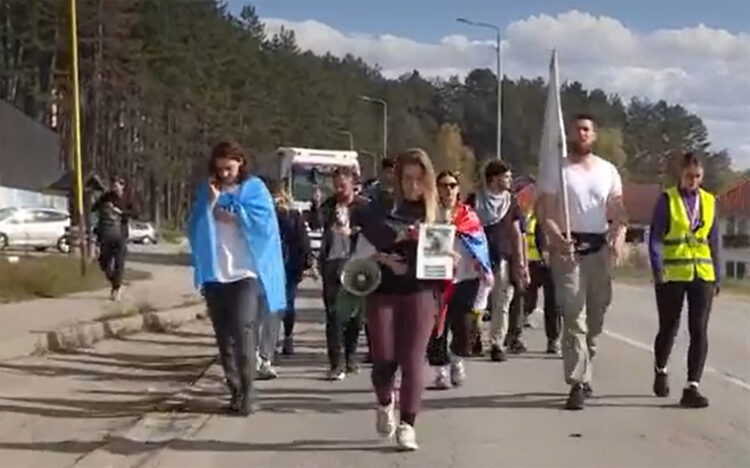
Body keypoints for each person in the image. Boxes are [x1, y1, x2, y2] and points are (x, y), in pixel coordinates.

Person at [188, 141, 286, 416]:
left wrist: (237, 217)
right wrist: (209, 204)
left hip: (246, 273)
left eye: (229, 168)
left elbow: (266, 225)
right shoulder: (208, 191)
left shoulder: (255, 189)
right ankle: (235, 390)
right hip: (216, 273)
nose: (224, 174)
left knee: (244, 332)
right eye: (219, 169)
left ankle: (249, 391)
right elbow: (194, 226)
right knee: (224, 338)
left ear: (240, 163)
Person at [355, 148, 443, 451]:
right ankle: (384, 401)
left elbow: (440, 261)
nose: (413, 185)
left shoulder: (434, 214)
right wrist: (386, 256)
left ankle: (408, 425)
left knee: (413, 360)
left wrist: (447, 259)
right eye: (407, 178)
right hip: (383, 290)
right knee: (384, 358)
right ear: (397, 178)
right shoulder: (380, 208)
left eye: (419, 179)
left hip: (420, 291)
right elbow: (364, 247)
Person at [540, 113, 627, 411]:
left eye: (587, 129)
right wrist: (557, 238)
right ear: (570, 134)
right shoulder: (558, 171)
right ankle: (577, 382)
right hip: (568, 251)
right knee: (573, 315)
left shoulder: (608, 171)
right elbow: (546, 215)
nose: (582, 133)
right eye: (577, 129)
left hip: (599, 250)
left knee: (595, 319)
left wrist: (618, 234)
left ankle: (586, 366)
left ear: (594, 134)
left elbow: (618, 209)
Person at [649, 152, 720, 408]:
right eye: (689, 176)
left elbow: (714, 240)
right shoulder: (667, 200)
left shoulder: (709, 201)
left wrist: (717, 275)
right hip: (673, 274)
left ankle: (692, 386)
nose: (693, 181)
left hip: (702, 274)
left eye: (698, 176)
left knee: (698, 329)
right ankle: (661, 368)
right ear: (680, 174)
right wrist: (658, 268)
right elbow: (655, 237)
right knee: (669, 327)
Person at [427, 170, 492, 389]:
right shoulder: (430, 214)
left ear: (458, 189)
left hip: (466, 277)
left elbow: (479, 242)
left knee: (464, 326)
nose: (448, 189)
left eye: (452, 185)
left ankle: (456, 359)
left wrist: (483, 266)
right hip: (437, 277)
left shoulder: (468, 215)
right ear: (436, 189)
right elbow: (425, 242)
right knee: (437, 327)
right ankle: (441, 370)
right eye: (443, 185)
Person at [475, 161, 528, 362]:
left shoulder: (511, 202)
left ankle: (496, 343)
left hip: (504, 258)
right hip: (479, 259)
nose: (509, 180)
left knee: (502, 302)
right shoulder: (475, 201)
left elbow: (517, 232)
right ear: (494, 178)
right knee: (477, 302)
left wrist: (521, 263)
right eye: (506, 176)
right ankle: (475, 336)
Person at [319, 167, 369, 380]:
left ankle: (350, 357)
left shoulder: (364, 206)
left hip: (357, 264)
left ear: (353, 184)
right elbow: (315, 223)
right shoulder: (329, 205)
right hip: (333, 263)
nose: (339, 190)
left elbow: (374, 231)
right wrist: (317, 208)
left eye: (343, 185)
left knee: (356, 316)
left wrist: (353, 231)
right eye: (336, 185)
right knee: (334, 316)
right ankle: (336, 363)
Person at [272, 180, 312, 356]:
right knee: (285, 302)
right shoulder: (291, 215)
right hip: (284, 265)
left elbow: (303, 241)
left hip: (284, 265)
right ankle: (283, 339)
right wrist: (306, 263)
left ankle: (280, 339)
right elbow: (303, 241)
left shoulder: (285, 215)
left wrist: (305, 262)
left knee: (279, 303)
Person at [524, 199, 561, 355]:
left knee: (553, 303)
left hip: (553, 264)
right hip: (533, 263)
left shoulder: (560, 218)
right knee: (528, 299)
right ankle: (516, 329)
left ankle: (553, 339)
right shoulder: (532, 219)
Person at [92, 175, 135, 301]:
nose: (114, 188)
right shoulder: (106, 197)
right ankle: (115, 281)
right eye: (113, 185)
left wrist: (121, 212)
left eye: (117, 185)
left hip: (120, 234)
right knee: (103, 262)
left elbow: (136, 213)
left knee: (119, 262)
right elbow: (94, 208)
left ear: (123, 186)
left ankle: (116, 288)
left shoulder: (128, 198)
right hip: (105, 235)